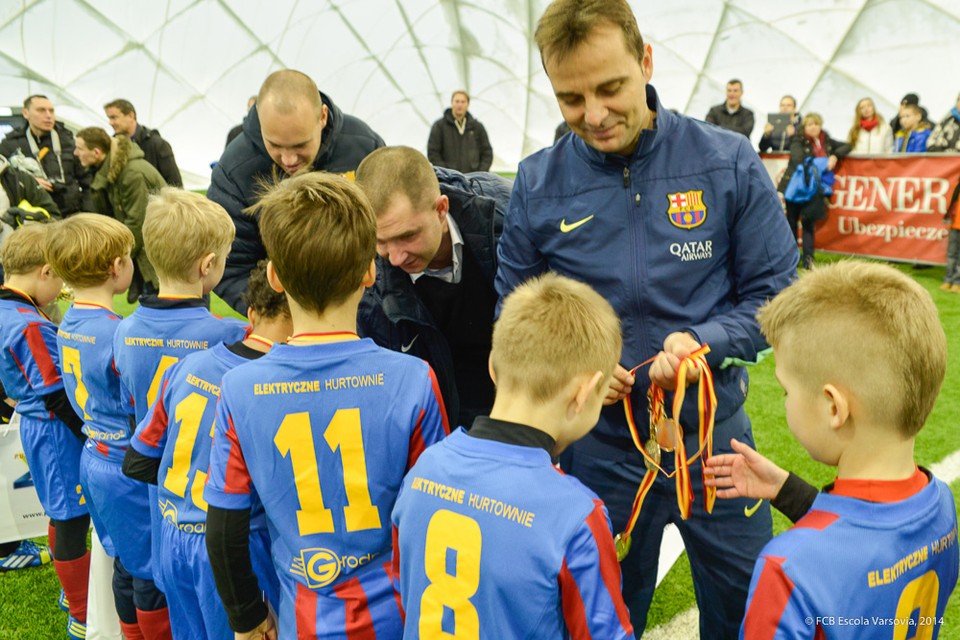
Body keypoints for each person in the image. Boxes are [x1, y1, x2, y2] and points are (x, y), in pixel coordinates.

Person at [494, 1, 799, 637]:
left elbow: (778, 298)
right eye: (571, 99)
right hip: (599, 449)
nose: (595, 115)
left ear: (646, 62)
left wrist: (705, 343)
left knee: (748, 611)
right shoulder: (537, 183)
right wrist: (577, 367)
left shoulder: (727, 161)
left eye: (610, 88)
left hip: (715, 442)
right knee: (598, 615)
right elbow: (515, 316)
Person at [204, 172, 449, 640]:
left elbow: (225, 524)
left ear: (273, 277)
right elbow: (433, 512)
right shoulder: (412, 378)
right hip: (402, 615)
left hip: (307, 618)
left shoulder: (238, 388)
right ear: (369, 273)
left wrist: (246, 617)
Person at [708, 260, 958, 639]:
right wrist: (786, 490)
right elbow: (869, 541)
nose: (786, 400)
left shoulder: (789, 569)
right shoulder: (941, 503)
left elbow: (843, 556)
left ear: (833, 408)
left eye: (786, 390)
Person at [392, 272, 634, 639]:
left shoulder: (424, 470)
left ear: (492, 366)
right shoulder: (575, 514)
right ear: (583, 395)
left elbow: (404, 589)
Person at [125, 262, 289, 640]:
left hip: (171, 535)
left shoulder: (190, 365)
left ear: (250, 313)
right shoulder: (278, 389)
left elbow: (138, 460)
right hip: (233, 548)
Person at [46, 213, 171, 640]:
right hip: (124, 462)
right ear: (117, 267)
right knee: (149, 573)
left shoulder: (67, 321)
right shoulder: (117, 331)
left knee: (124, 561)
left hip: (93, 455)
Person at [355, 146, 512, 428]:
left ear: (441, 209)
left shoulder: (511, 221)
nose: (395, 257)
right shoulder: (369, 286)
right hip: (437, 426)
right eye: (381, 242)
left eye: (407, 236)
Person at [208, 69, 384, 313]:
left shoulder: (363, 146)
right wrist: (280, 316)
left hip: (362, 314)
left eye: (300, 145)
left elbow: (384, 239)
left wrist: (364, 310)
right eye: (275, 145)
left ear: (322, 117)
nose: (288, 159)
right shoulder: (236, 169)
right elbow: (231, 264)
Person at [0, 224, 90, 639]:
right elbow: (57, 394)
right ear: (46, 271)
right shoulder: (29, 324)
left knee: (60, 511)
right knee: (71, 517)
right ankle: (81, 609)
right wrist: (90, 431)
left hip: (36, 426)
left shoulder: (9, 310)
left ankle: (71, 589)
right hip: (54, 430)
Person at [74, 127, 166, 302]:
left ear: (96, 152)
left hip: (161, 256)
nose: (75, 153)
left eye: (79, 148)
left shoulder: (131, 173)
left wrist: (113, 258)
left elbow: (138, 223)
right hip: (149, 253)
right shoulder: (110, 171)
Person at [777, 113, 850, 269]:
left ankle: (808, 258)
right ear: (805, 126)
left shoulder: (827, 140)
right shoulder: (798, 139)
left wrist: (835, 156)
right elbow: (798, 159)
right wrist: (824, 162)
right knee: (791, 224)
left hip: (813, 190)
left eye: (816, 124)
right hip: (795, 188)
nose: (813, 127)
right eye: (809, 124)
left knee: (809, 225)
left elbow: (847, 145)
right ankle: (791, 258)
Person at [0, 95, 89, 215]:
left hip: (71, 213)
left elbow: (87, 180)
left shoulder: (68, 141)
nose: (48, 115)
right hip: (35, 216)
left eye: (51, 111)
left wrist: (88, 212)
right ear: (26, 113)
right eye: (41, 110)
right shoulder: (10, 144)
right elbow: (5, 179)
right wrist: (29, 181)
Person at [104, 99, 183, 187]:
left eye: (114, 117)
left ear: (131, 115)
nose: (110, 123)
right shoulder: (112, 146)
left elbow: (175, 183)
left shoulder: (157, 144)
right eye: (109, 118)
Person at [427, 90, 494, 173]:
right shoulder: (439, 126)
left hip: (473, 180)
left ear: (467, 104)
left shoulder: (477, 127)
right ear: (452, 103)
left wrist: (480, 173)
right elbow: (433, 152)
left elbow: (487, 152)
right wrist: (446, 173)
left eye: (463, 102)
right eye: (457, 101)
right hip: (448, 180)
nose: (460, 105)